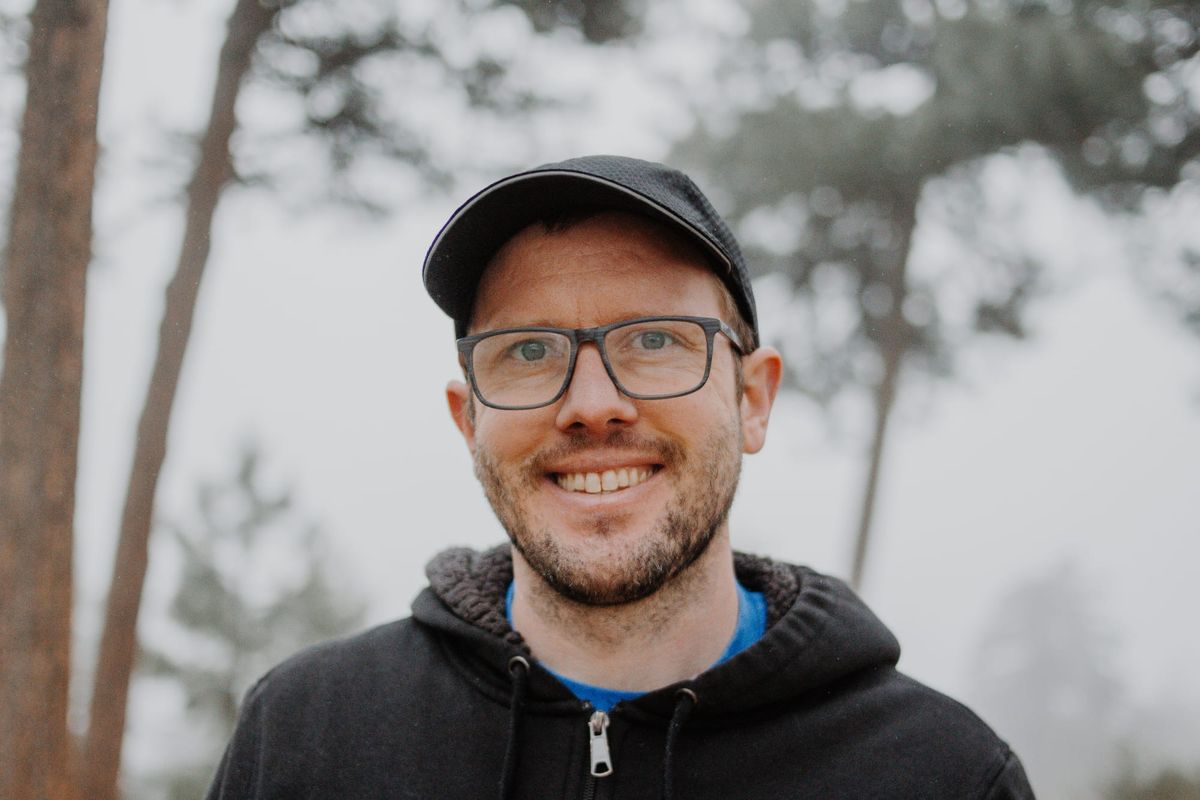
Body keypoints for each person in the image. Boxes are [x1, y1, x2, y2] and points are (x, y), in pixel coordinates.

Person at [206, 155, 1034, 799]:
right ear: (468, 421)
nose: (592, 406)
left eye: (655, 341)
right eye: (529, 352)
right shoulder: (308, 735)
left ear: (753, 398)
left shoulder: (944, 775)